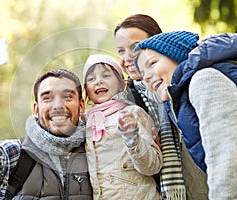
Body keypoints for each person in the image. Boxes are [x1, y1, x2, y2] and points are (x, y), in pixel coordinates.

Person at [0, 44, 93, 199]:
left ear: (81, 106)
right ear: (36, 109)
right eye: (47, 98)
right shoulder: (17, 155)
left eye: (67, 97)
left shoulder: (95, 153)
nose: (58, 106)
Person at [134, 30, 237, 199]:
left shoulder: (205, 80)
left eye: (152, 63)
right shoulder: (180, 101)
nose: (148, 77)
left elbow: (227, 159)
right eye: (143, 75)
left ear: (175, 54)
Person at [114, 14, 188, 200]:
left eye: (135, 47)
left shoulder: (180, 86)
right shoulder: (123, 100)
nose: (128, 57)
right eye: (121, 51)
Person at [83, 54, 162, 200]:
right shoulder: (85, 122)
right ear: (86, 90)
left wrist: (133, 137)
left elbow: (153, 166)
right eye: (91, 79)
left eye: (106, 75)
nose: (98, 81)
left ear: (121, 84)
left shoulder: (132, 114)